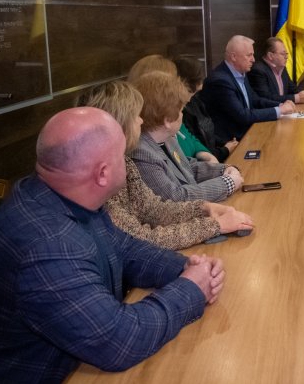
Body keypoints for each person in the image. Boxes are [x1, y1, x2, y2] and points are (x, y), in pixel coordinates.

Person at [0, 107, 224, 382]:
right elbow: (120, 341)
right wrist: (191, 288)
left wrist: (187, 267)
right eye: (123, 156)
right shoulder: (47, 246)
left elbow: (126, 248)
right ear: (102, 174)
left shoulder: (66, 196)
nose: (128, 162)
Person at [78, 80, 253, 249]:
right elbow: (140, 239)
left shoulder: (124, 161)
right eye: (136, 116)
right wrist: (214, 225)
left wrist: (203, 209)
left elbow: (154, 209)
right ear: (118, 125)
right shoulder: (104, 176)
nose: (141, 121)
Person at [131, 71, 244, 202]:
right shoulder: (142, 155)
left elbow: (188, 168)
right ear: (168, 121)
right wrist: (227, 183)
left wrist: (223, 169)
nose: (182, 115)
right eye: (181, 110)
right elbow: (177, 197)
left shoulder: (168, 139)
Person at [201, 35, 295, 141]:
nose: (253, 60)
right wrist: (279, 110)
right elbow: (243, 115)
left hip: (247, 132)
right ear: (234, 57)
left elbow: (255, 100)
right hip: (232, 140)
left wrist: (280, 105)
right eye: (249, 55)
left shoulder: (241, 73)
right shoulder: (220, 81)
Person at [129, 54, 218, 164]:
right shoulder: (152, 132)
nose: (177, 87)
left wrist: (204, 153)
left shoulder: (171, 112)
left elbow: (189, 137)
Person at [174, 56, 239, 162]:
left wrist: (226, 144)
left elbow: (205, 135)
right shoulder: (181, 110)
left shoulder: (195, 100)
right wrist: (225, 150)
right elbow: (192, 155)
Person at [249, 37, 304, 104]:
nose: (286, 57)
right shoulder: (258, 70)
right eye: (283, 54)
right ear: (270, 56)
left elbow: (292, 89)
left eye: (286, 54)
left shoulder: (281, 67)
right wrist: (296, 98)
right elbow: (266, 98)